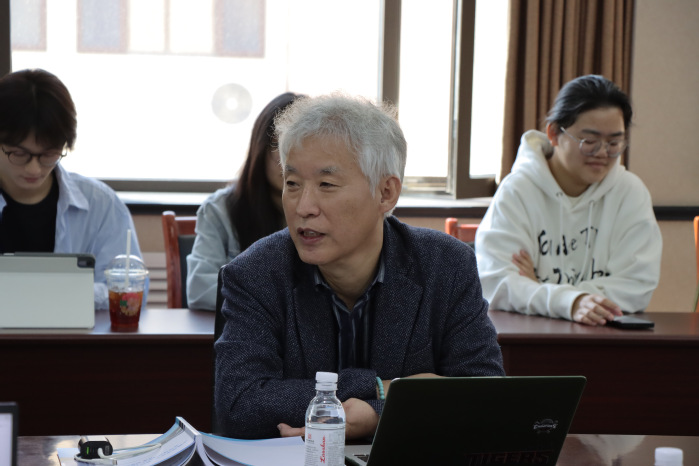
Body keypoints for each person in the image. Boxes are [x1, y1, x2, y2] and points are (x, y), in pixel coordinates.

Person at [214, 93, 504, 440]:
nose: (303, 207)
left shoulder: (446, 265)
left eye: (326, 185)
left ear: (386, 193)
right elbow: (240, 405)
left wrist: (379, 415)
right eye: (292, 184)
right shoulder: (255, 274)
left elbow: (485, 396)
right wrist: (381, 388)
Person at [475, 75, 662, 326]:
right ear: (554, 133)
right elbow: (495, 284)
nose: (602, 153)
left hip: (606, 335)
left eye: (614, 142)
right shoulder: (518, 191)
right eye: (589, 141)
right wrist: (568, 302)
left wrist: (541, 290)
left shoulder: (630, 193)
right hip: (531, 336)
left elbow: (637, 285)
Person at [0, 68, 142, 311]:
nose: (34, 168)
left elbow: (130, 293)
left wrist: (43, 292)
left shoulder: (101, 205)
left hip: (78, 336)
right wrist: (65, 291)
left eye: (48, 154)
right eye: (19, 154)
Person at [186, 92, 302, 310]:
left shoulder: (329, 210)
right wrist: (276, 302)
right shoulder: (220, 209)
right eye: (278, 144)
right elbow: (199, 288)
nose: (288, 159)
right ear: (259, 148)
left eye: (299, 145)